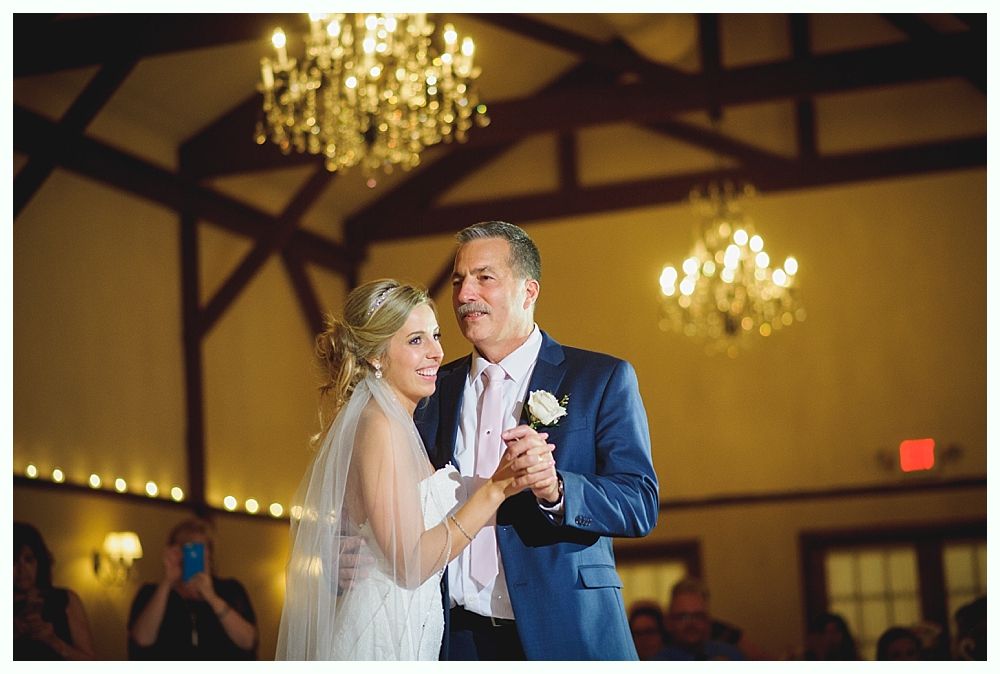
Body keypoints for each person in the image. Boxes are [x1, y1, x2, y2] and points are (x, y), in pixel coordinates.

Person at [416, 221, 659, 659]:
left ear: (529, 292)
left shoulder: (600, 379)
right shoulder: (435, 390)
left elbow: (639, 502)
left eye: (483, 277)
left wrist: (558, 490)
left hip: (564, 629)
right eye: (458, 281)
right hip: (455, 639)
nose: (464, 294)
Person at [276, 280, 544, 660]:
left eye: (435, 336)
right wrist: (496, 489)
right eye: (416, 341)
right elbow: (412, 563)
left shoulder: (399, 423)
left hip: (413, 626)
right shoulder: (379, 425)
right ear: (376, 356)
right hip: (381, 632)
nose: (436, 352)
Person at [127, 518, 258, 659]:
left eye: (201, 548)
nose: (194, 555)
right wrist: (168, 581)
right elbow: (141, 640)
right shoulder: (150, 592)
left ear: (210, 554)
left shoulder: (230, 590)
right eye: (188, 548)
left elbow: (248, 641)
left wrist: (211, 597)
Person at [13, 521, 96, 660]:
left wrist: (54, 642)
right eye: (13, 561)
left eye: (28, 560)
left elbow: (91, 662)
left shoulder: (65, 599)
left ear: (39, 560)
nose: (22, 570)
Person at [655, 577, 744, 660]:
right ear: (669, 622)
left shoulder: (730, 655)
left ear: (708, 621)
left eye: (698, 616)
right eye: (683, 617)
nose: (691, 623)